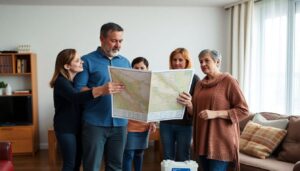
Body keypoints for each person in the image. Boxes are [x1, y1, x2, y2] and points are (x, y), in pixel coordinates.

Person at [49, 49, 124, 171]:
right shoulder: (61, 82)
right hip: (66, 129)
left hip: (77, 127)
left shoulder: (71, 82)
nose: (81, 62)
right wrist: (101, 90)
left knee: (77, 163)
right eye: (77, 60)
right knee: (70, 164)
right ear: (67, 66)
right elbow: (76, 98)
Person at [178, 49, 249, 171]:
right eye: (200, 62)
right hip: (202, 140)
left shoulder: (229, 81)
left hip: (220, 141)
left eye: (207, 60)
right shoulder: (199, 84)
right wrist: (189, 105)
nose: (203, 64)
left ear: (217, 62)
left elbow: (243, 110)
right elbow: (196, 114)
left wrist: (215, 114)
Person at [73, 22, 131, 171]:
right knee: (91, 166)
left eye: (120, 41)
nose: (118, 45)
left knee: (115, 167)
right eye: (113, 40)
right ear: (102, 39)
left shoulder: (125, 62)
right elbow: (78, 91)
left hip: (120, 124)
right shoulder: (86, 60)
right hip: (94, 123)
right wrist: (101, 90)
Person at [159, 47, 200, 161]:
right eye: (174, 60)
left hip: (185, 125)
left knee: (183, 157)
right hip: (166, 123)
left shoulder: (195, 79)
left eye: (180, 60)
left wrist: (190, 104)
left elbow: (196, 109)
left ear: (187, 62)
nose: (177, 63)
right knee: (167, 157)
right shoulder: (164, 77)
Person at [122, 57, 157, 171]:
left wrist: (152, 121)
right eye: (136, 68)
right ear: (132, 69)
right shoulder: (125, 85)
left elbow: (154, 106)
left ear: (147, 69)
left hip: (144, 125)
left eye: (142, 68)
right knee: (128, 154)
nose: (139, 70)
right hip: (129, 125)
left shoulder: (152, 86)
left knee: (139, 154)